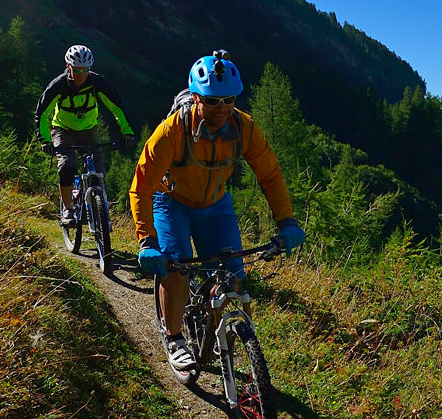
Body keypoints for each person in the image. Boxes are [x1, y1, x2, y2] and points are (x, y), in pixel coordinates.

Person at [128, 50, 305, 371]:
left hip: (216, 205)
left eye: (228, 100)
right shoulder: (171, 132)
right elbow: (142, 186)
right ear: (196, 98)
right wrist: (146, 241)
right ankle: (174, 336)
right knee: (177, 268)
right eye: (211, 101)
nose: (221, 108)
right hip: (171, 202)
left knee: (233, 279)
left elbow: (270, 175)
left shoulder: (244, 128)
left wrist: (287, 221)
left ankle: (218, 332)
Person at [35, 44, 136, 225]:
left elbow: (117, 108)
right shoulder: (58, 86)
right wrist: (45, 140)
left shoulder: (98, 83)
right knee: (67, 166)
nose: (81, 74)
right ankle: (67, 209)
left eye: (85, 70)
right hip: (62, 129)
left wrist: (127, 133)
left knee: (98, 171)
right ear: (68, 67)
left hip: (89, 129)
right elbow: (42, 113)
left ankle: (101, 212)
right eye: (77, 70)